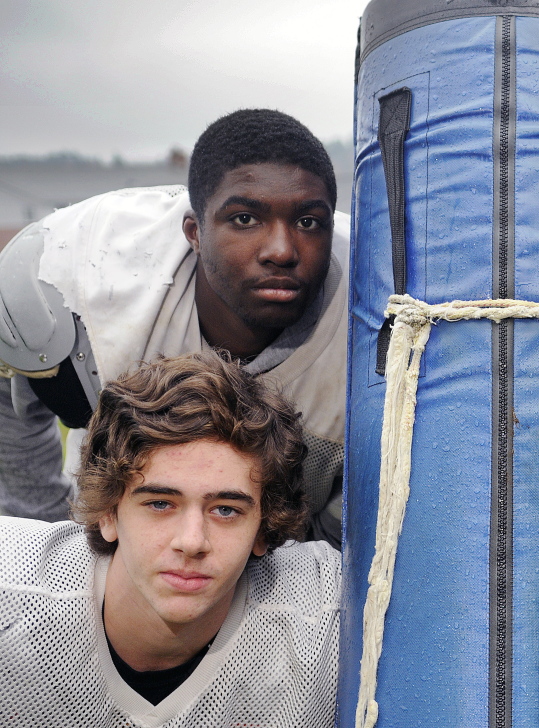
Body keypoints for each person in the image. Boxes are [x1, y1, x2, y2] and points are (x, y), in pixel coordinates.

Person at [0, 109, 348, 545]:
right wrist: (53, 539)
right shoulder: (83, 274)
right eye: (245, 219)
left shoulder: (374, 317)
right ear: (195, 232)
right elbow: (11, 401)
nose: (281, 249)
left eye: (308, 222)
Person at [0, 351, 341, 725]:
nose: (192, 541)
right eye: (161, 503)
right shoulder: (12, 592)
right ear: (108, 512)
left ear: (264, 527)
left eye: (226, 509)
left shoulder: (330, 618)